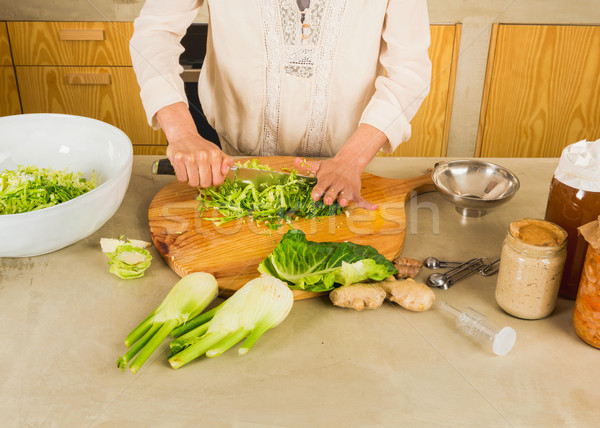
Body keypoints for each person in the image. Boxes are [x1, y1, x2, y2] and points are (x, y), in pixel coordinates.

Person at [130, 0, 431, 210]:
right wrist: (182, 133)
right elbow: (155, 32)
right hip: (237, 161)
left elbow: (410, 70)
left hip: (352, 168)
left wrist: (352, 159)